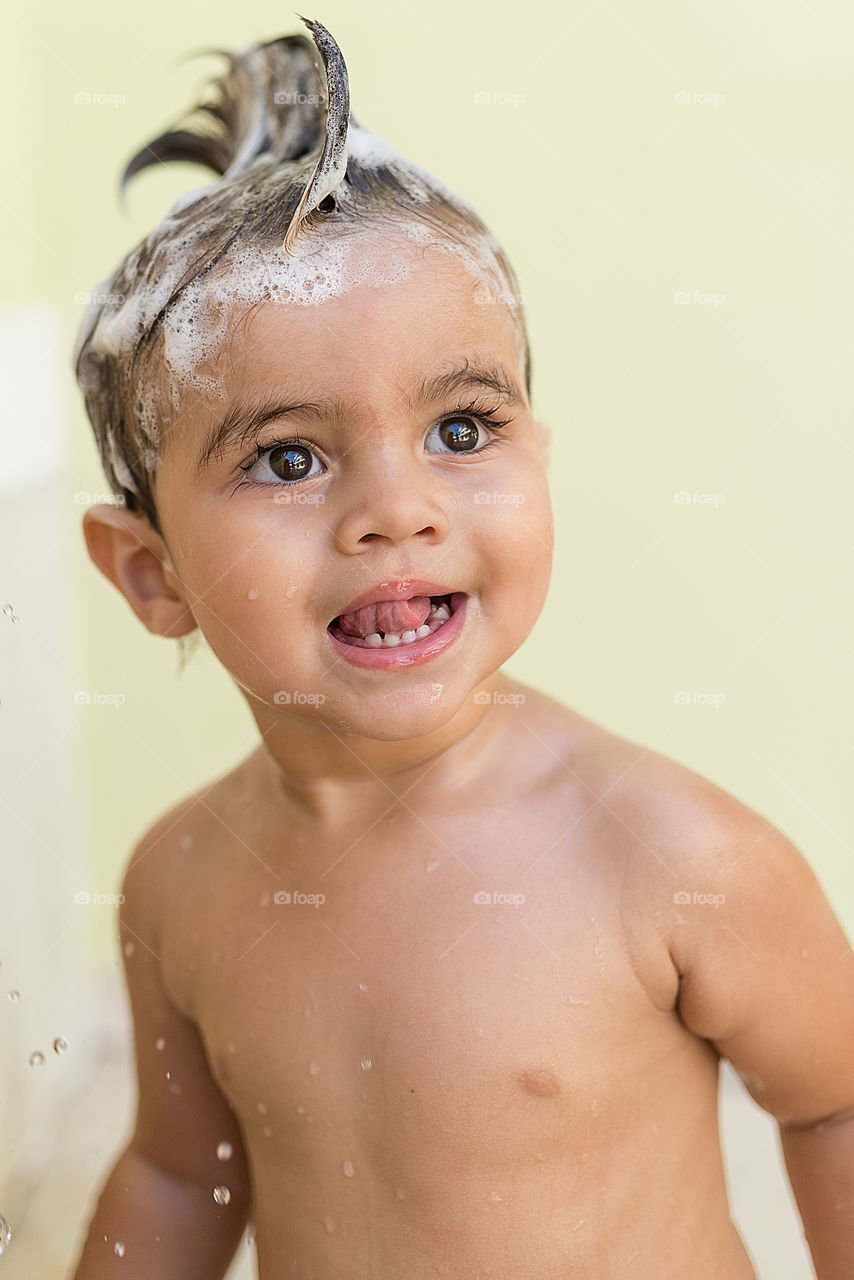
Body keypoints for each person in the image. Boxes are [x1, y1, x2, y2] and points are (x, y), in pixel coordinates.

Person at [71, 17, 854, 1279]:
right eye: (288, 456)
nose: (398, 507)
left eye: (460, 427)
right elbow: (176, 1173)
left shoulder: (670, 855)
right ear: (153, 573)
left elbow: (834, 1098)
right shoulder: (181, 880)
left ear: (536, 457)